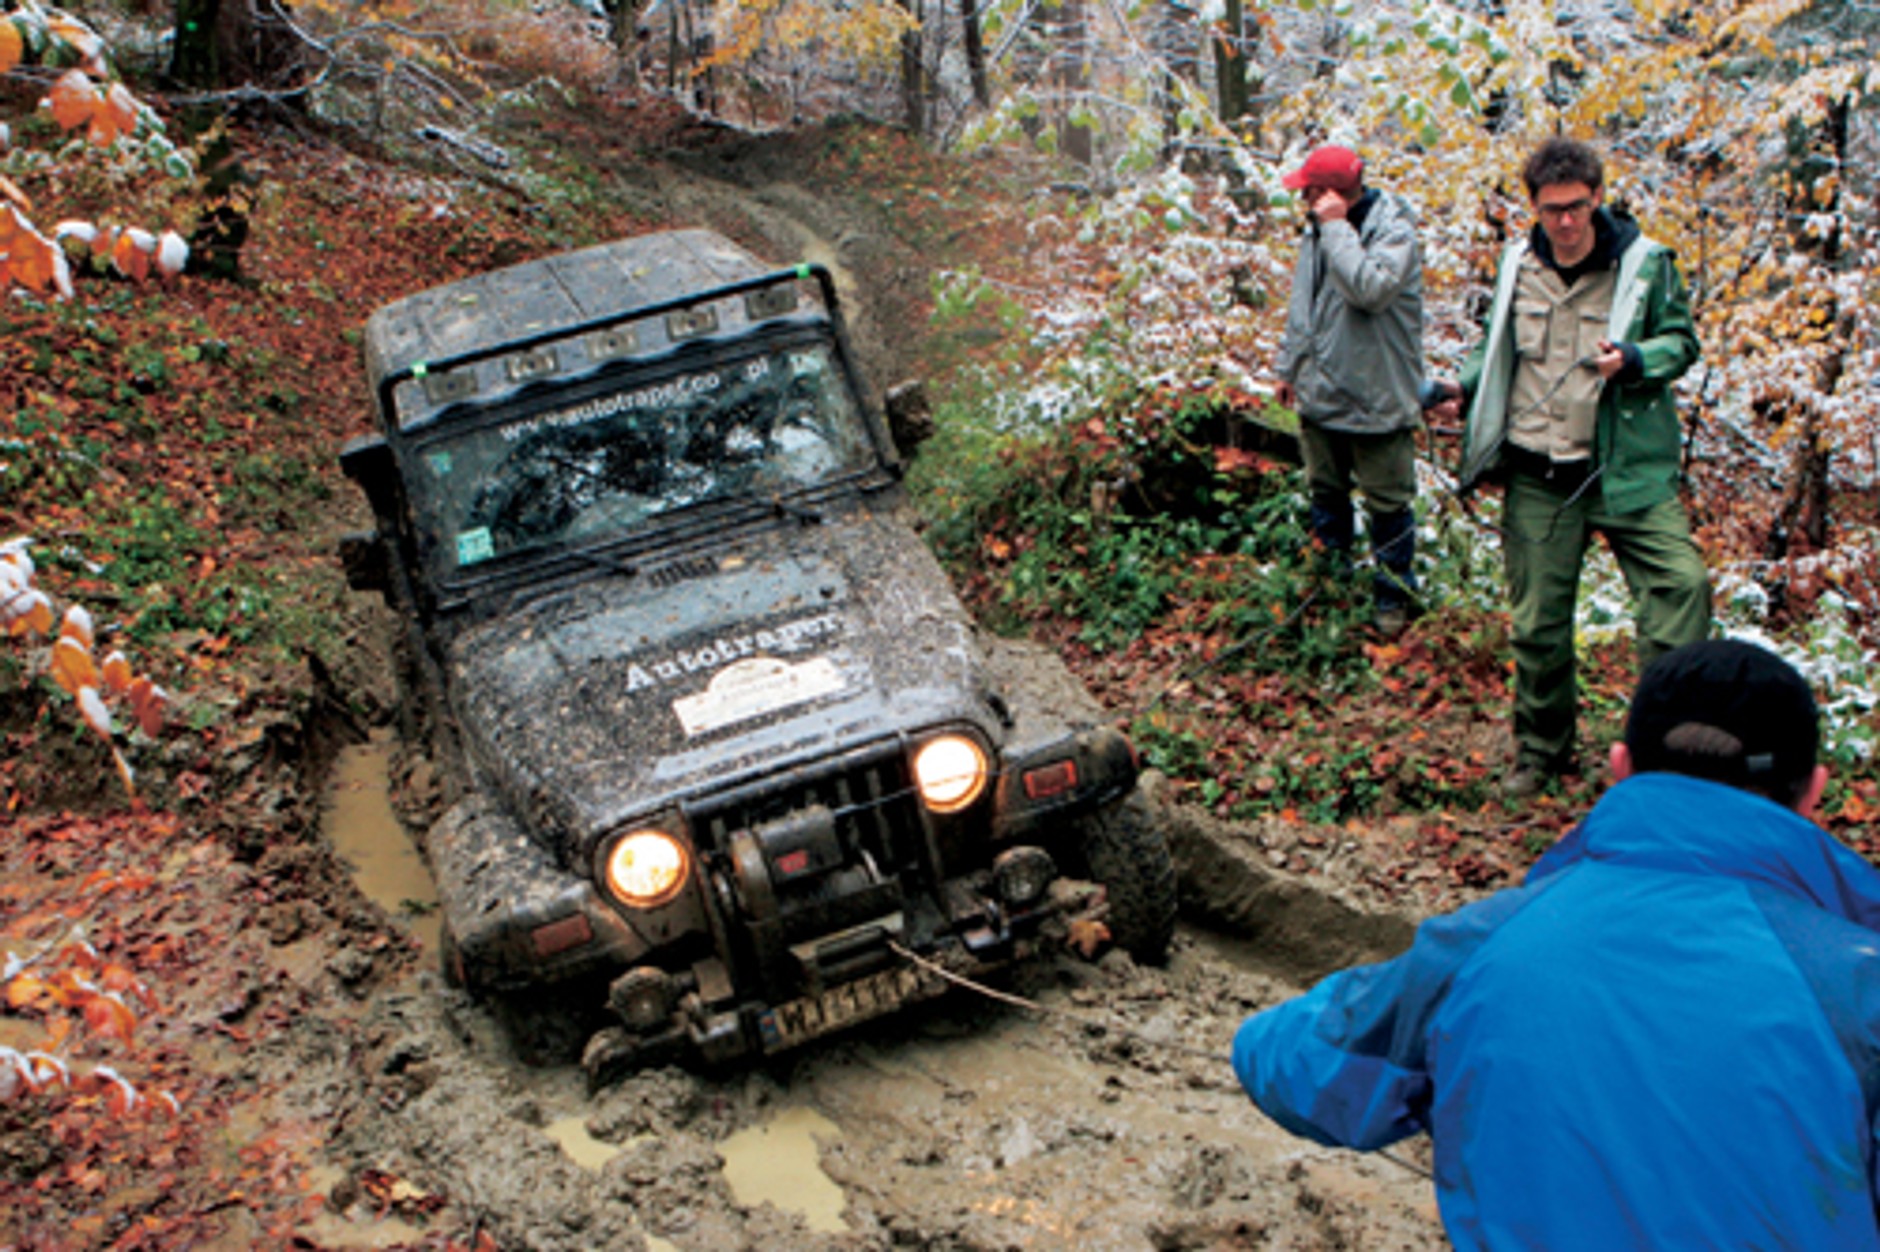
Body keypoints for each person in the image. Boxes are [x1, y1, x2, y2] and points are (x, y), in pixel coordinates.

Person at [1232, 638, 1880, 1250]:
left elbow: (1291, 1061)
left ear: (1620, 768)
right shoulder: (1860, 986)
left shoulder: (1483, 947)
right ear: (1814, 792)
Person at [1429, 137, 1710, 798]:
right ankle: (1541, 753)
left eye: (1577, 207)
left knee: (1682, 587)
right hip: (1538, 475)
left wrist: (1636, 360)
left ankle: (1662, 756)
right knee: (1537, 625)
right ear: (1534, 206)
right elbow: (1496, 348)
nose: (1565, 221)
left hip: (1626, 471)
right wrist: (1462, 386)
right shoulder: (1516, 265)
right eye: (1552, 209)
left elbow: (1682, 342)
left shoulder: (1645, 265)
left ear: (1597, 199)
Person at [1273, 144, 1427, 636]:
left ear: (1332, 192)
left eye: (1310, 191)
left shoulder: (1394, 231)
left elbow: (1370, 288)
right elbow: (1304, 301)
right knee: (1326, 494)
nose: (1304, 200)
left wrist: (1337, 227)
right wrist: (1288, 367)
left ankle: (1392, 599)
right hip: (1321, 393)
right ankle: (1330, 589)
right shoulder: (1317, 230)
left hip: (1377, 397)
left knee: (1388, 506)